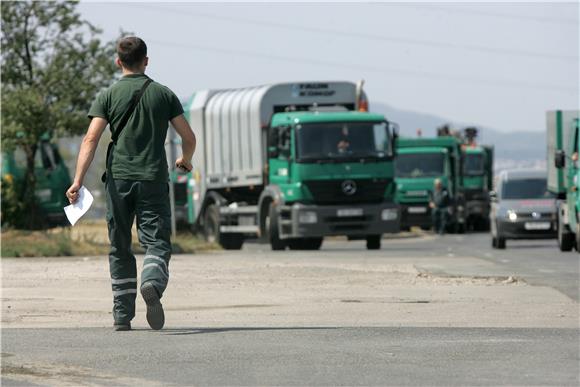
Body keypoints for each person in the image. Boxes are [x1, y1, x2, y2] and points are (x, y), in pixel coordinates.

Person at [65, 37, 196, 331]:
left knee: (119, 245)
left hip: (118, 180)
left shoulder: (108, 95)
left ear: (118, 62)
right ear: (146, 61)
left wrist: (77, 181)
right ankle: (151, 281)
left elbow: (90, 139)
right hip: (152, 178)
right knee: (157, 242)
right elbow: (188, 138)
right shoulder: (163, 94)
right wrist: (185, 159)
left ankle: (122, 315)